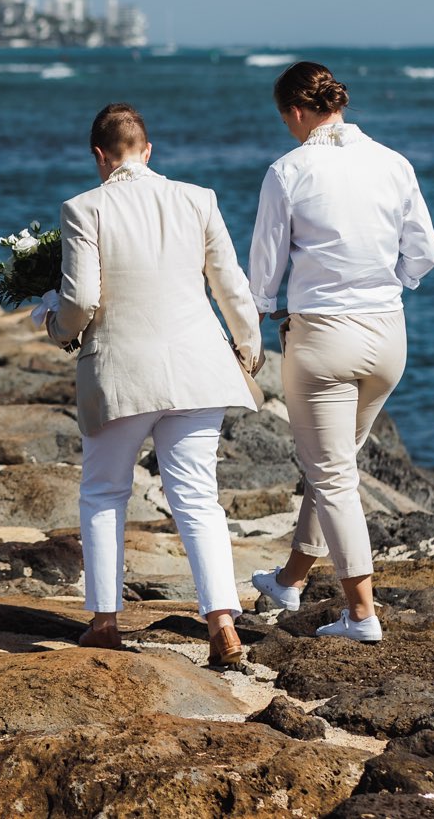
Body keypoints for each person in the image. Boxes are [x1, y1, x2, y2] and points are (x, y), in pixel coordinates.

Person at [41, 103, 263, 667]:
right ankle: (222, 625)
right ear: (148, 150)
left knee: (105, 492)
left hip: (122, 374)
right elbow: (230, 284)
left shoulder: (83, 208)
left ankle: (106, 621)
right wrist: (249, 343)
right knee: (198, 500)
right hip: (199, 369)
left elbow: (82, 300)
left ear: (98, 156)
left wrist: (55, 327)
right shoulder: (198, 199)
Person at [246, 61, 434, 643]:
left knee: (330, 474)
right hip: (387, 337)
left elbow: (264, 267)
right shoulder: (393, 163)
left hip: (324, 338)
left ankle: (361, 615)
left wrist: (255, 316)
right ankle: (289, 580)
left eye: (285, 117)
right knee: (334, 463)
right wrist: (385, 282)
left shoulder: (289, 170)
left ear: (298, 112)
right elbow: (425, 252)